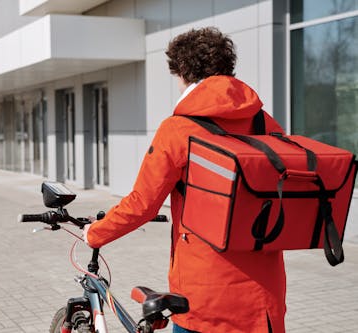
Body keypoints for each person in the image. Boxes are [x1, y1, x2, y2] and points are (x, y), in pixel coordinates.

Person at [83, 27, 286, 333]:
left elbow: (143, 204)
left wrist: (94, 234)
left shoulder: (178, 129)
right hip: (263, 302)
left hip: (203, 300)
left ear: (182, 72)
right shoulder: (267, 124)